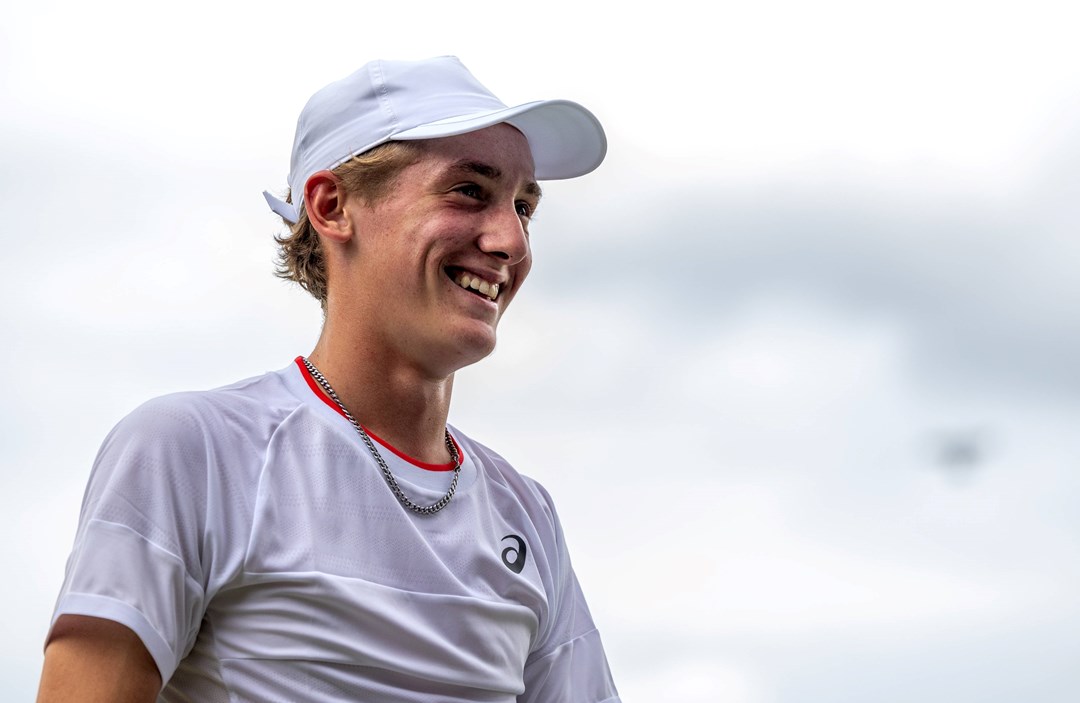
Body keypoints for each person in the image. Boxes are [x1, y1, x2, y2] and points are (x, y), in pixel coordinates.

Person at [37, 56, 620, 702]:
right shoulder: (190, 450)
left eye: (524, 206)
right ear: (332, 205)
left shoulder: (527, 514)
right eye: (469, 191)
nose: (511, 239)